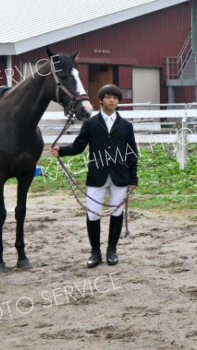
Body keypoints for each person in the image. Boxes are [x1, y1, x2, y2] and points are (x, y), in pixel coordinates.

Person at [51, 84, 138, 267]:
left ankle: (112, 250)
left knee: (117, 212)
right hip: (97, 175)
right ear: (101, 100)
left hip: (120, 175)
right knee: (93, 213)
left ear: (118, 101)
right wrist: (62, 151)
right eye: (108, 97)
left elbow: (132, 153)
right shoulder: (90, 123)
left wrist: (133, 178)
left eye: (115, 97)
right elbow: (79, 146)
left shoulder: (126, 126)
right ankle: (95, 251)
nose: (112, 100)